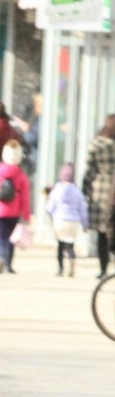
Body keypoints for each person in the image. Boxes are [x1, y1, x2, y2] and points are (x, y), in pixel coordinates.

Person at [0, 140, 31, 275]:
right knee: (11, 238)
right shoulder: (21, 175)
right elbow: (25, 197)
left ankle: (1, 258)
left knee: (0, 237)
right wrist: (26, 215)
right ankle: (8, 265)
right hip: (14, 212)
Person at [83, 114, 115, 278]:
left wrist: (85, 190)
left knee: (102, 233)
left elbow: (89, 170)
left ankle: (103, 269)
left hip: (101, 190)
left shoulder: (97, 144)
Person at [46, 163, 90, 277]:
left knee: (60, 245)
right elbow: (82, 209)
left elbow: (50, 208)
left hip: (60, 220)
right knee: (70, 245)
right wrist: (85, 224)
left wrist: (51, 217)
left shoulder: (57, 189)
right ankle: (71, 261)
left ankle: (60, 269)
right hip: (73, 222)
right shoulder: (77, 191)